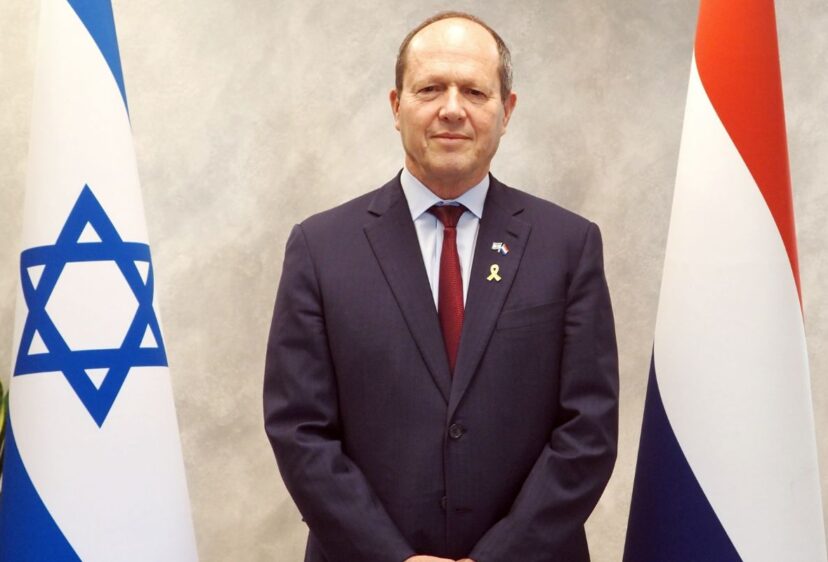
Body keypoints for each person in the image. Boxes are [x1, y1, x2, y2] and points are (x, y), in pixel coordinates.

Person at [264, 11, 618, 562]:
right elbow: (300, 430)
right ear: (395, 105)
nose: (452, 109)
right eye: (430, 88)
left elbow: (588, 431)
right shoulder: (320, 248)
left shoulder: (568, 245)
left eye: (474, 91)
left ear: (507, 110)